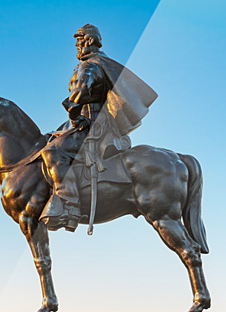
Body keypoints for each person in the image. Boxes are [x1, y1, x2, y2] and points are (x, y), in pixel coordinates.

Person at [39, 24, 157, 231]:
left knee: (52, 151)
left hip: (92, 123)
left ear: (90, 40)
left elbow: (81, 91)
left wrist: (73, 109)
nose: (77, 44)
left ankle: (70, 205)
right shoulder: (96, 63)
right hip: (84, 122)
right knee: (49, 139)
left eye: (80, 40)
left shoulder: (90, 65)